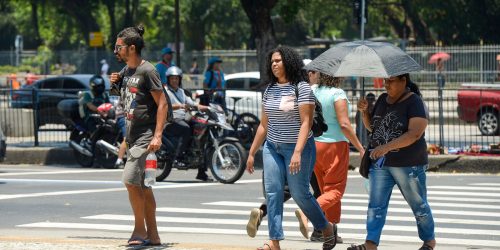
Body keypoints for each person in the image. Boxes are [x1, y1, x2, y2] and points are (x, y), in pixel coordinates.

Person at [246, 46, 337, 250]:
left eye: (278, 60)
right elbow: (263, 124)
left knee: (300, 193)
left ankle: (326, 227)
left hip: (299, 148)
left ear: (289, 62)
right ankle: (274, 241)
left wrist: (297, 151)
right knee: (273, 192)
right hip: (272, 147)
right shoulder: (269, 89)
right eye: (272, 62)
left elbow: (306, 122)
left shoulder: (301, 88)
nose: (274, 64)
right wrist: (252, 152)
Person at [349, 74, 435, 250]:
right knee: (376, 205)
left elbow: (415, 133)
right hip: (381, 163)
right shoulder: (382, 99)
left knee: (418, 204)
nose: (386, 84)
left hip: (408, 163)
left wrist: (387, 147)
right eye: (385, 81)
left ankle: (429, 241)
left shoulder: (414, 102)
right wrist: (365, 113)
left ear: (403, 81)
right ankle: (370, 243)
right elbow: (374, 128)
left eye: (391, 81)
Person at [110, 25, 167, 247]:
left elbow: (161, 103)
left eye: (119, 47)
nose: (115, 51)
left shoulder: (148, 71)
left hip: (146, 135)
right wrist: (114, 83)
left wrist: (158, 135)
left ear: (131, 48)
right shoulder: (126, 72)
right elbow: (123, 98)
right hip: (132, 136)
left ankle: (139, 230)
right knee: (143, 186)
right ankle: (153, 235)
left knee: (130, 180)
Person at [305, 72, 365, 242]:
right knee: (335, 191)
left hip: (315, 144)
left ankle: (331, 231)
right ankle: (306, 212)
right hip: (335, 146)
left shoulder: (313, 90)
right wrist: (360, 147)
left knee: (326, 191)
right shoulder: (337, 94)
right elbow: (344, 124)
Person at [162, 66, 211, 181]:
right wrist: (180, 106)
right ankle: (178, 158)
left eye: (176, 79)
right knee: (186, 129)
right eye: (172, 79)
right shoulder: (165, 92)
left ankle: (201, 172)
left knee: (202, 131)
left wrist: (208, 108)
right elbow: (165, 106)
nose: (175, 81)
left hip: (183, 119)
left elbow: (193, 104)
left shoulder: (182, 92)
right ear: (168, 79)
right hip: (170, 121)